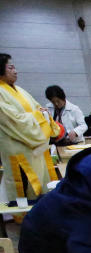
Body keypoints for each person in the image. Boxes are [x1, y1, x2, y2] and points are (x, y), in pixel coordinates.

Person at [0, 53, 57, 201]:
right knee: (25, 187)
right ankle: (26, 220)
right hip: (18, 149)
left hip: (35, 148)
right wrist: (39, 116)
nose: (15, 71)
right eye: (10, 67)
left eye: (15, 67)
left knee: (42, 185)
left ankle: (40, 216)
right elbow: (14, 121)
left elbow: (37, 108)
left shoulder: (20, 90)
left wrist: (43, 113)